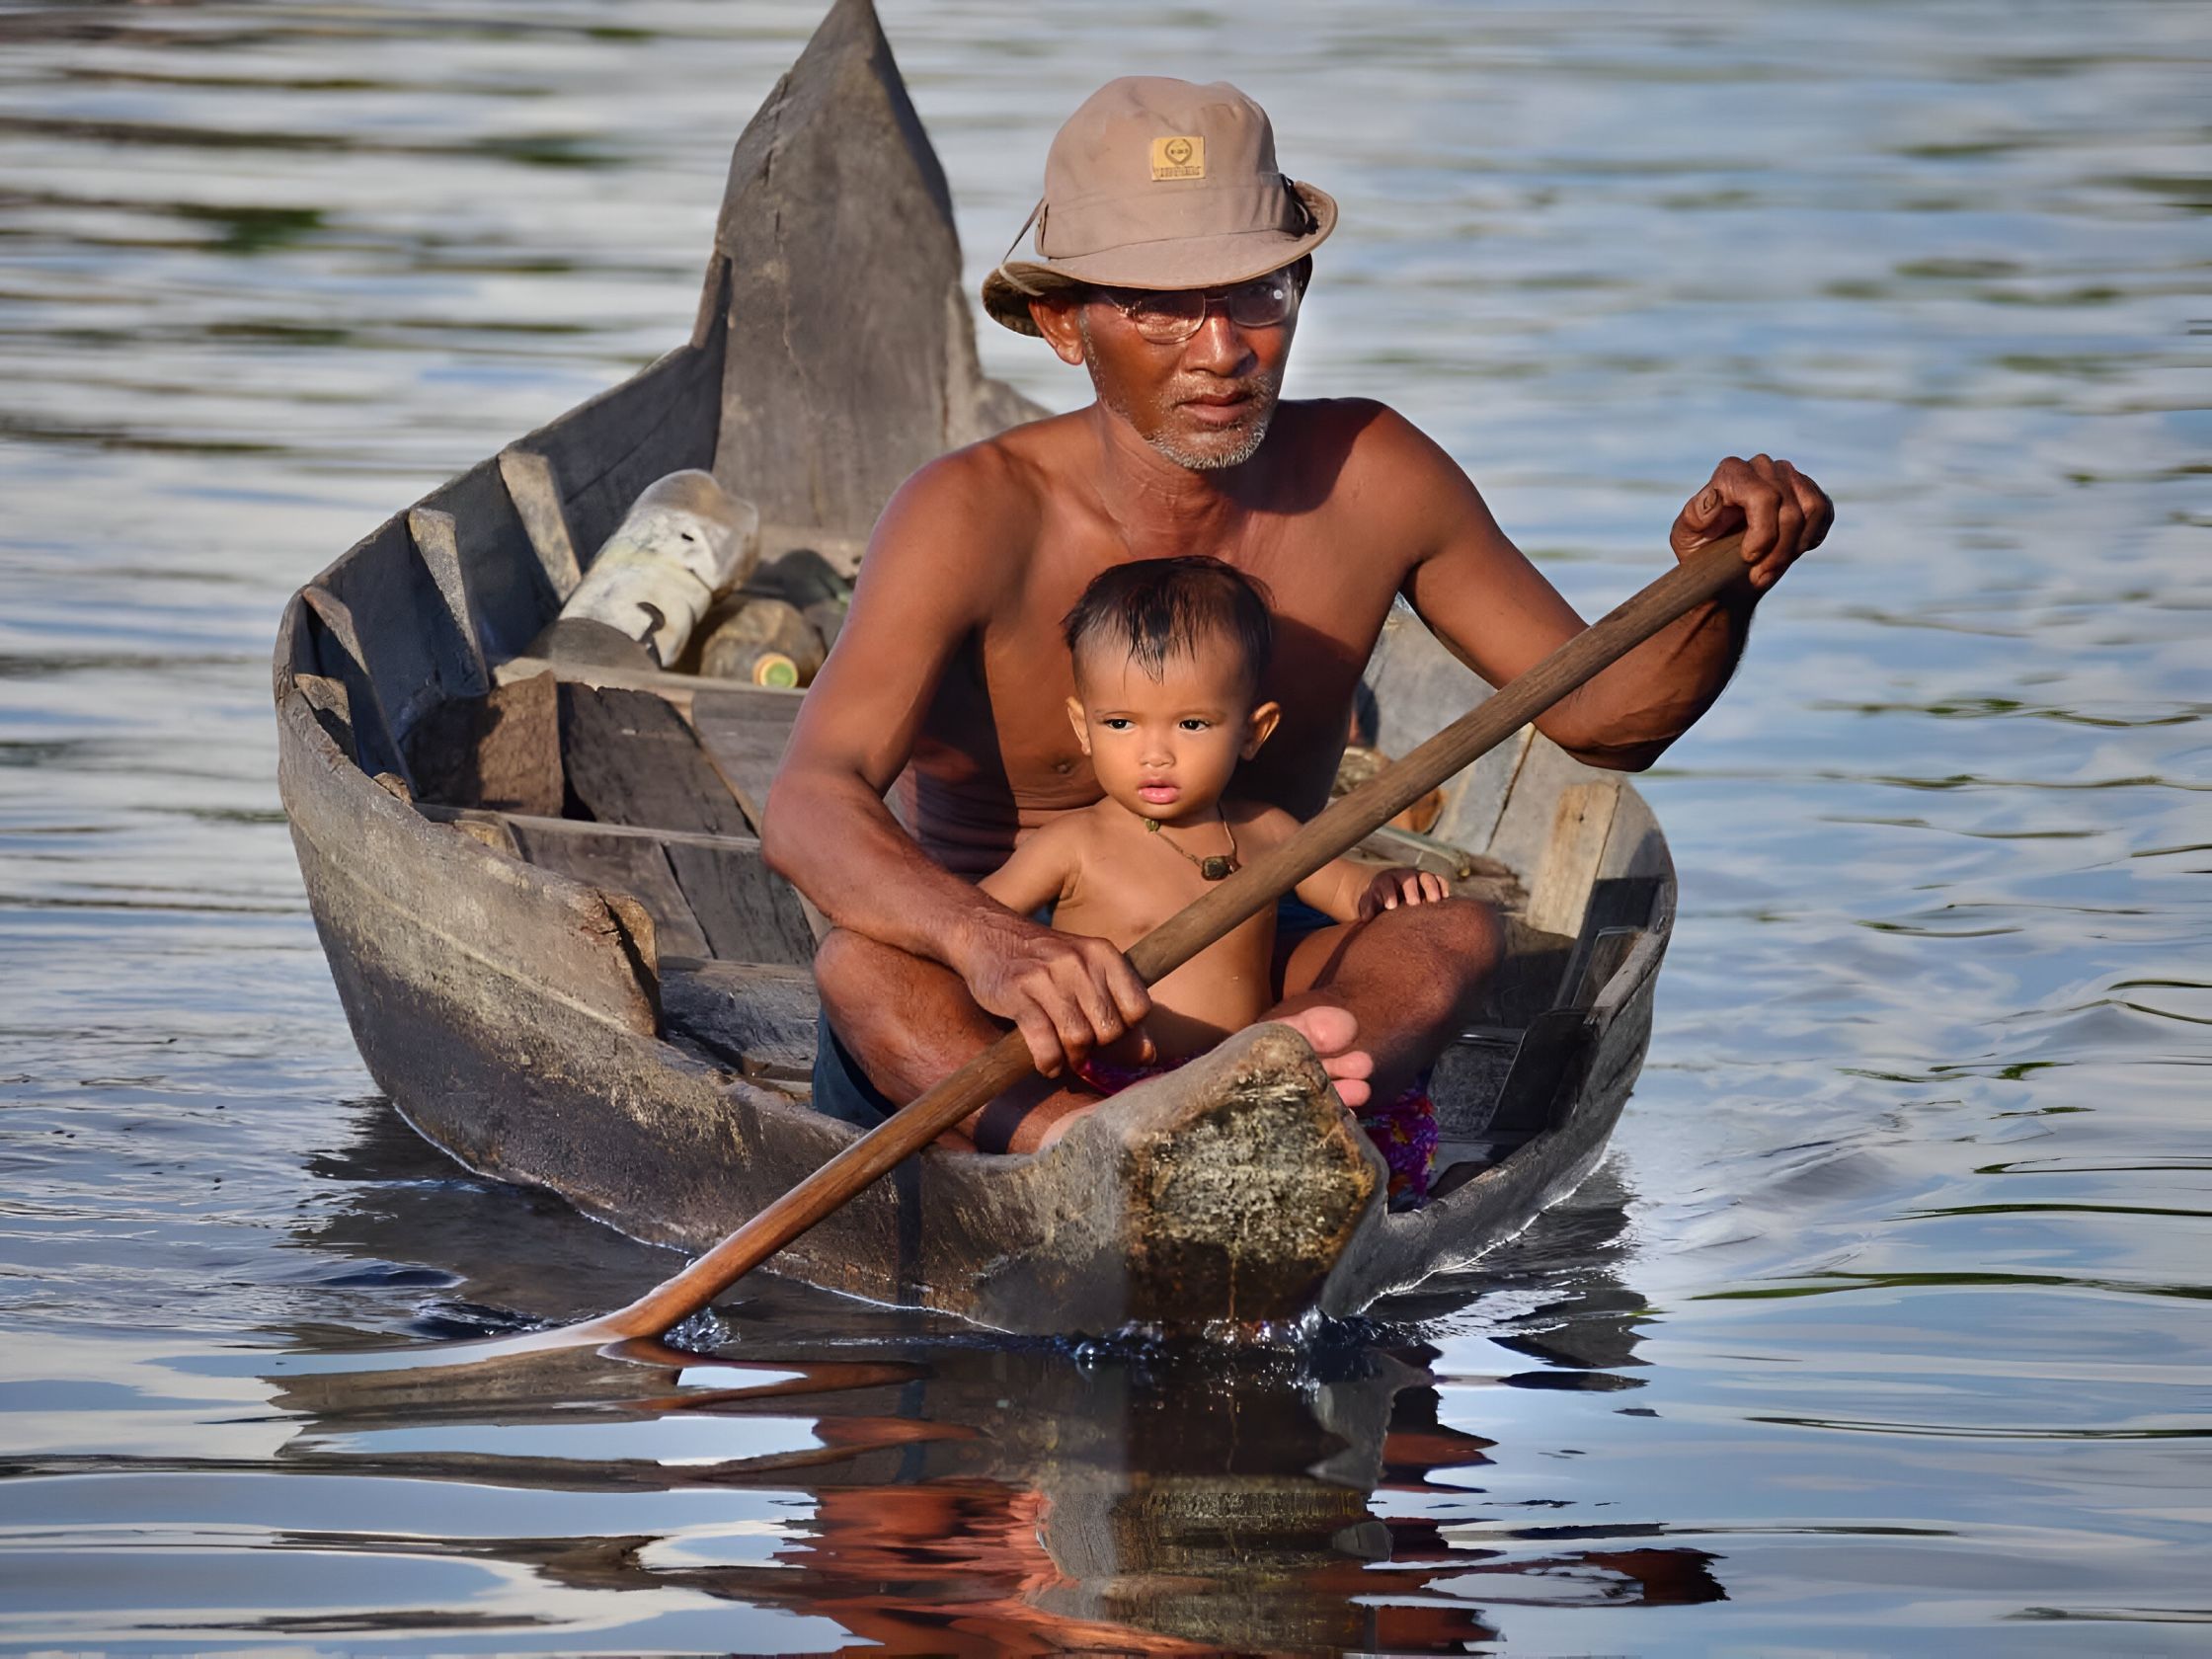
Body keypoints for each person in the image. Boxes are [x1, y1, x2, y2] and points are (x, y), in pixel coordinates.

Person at [762, 75, 1832, 1150]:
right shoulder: (968, 512)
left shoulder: (1374, 474)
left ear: (1301, 284)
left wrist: (1720, 585)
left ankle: (1251, 1117)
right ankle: (1075, 1149)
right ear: (1061, 324)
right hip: (1006, 998)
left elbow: (1612, 719)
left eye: (1255, 295)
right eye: (1160, 306)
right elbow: (810, 802)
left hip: (1256, 964)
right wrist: (987, 940)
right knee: (861, 966)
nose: (1221, 349)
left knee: (1450, 935)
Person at [975, 555, 1447, 1188]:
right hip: (1116, 1084)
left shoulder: (1266, 831)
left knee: (1364, 1135)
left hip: (1236, 1078)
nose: (1155, 753)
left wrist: (1384, 887)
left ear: (1254, 732)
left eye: (1192, 723)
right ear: (1082, 728)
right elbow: (984, 929)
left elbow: (1346, 888)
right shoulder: (1073, 842)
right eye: (1120, 723)